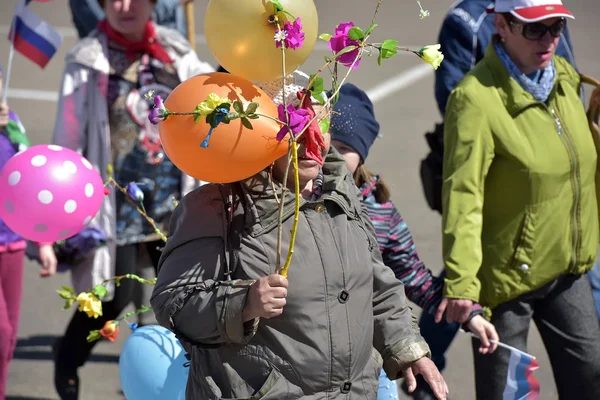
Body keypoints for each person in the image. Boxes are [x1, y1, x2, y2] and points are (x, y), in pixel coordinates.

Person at [151, 70, 449, 400]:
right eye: (295, 130)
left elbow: (376, 286)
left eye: (319, 128)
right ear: (262, 134)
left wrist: (409, 349)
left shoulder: (343, 194)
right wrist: (243, 303)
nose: (313, 144)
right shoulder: (218, 207)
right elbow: (174, 304)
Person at [415, 1, 584, 398]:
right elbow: (454, 101)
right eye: (535, 30)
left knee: (587, 358)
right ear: (502, 25)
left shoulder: (551, 32)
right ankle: (423, 364)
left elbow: (568, 84)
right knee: (462, 284)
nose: (549, 39)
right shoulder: (465, 21)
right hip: (498, 193)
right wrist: (518, 129)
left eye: (555, 27)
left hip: (560, 221)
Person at [49, 0, 213, 398]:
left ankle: (176, 383)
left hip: (172, 202)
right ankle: (67, 359)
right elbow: (67, 140)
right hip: (116, 205)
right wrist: (59, 209)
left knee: (187, 301)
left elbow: (210, 103)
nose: (125, 6)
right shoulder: (88, 59)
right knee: (113, 298)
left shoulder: (175, 50)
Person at [329, 83, 499, 399]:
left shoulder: (378, 209)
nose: (332, 155)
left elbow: (410, 274)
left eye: (343, 147)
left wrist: (468, 314)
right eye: (324, 142)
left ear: (363, 152)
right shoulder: (293, 201)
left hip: (368, 357)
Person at [0, 64, 57, 399]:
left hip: (13, 244)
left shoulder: (13, 126)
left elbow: (30, 185)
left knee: (9, 337)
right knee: (0, 331)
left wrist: (44, 240)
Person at [69, 0, 194, 39]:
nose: (125, 7)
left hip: (172, 49)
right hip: (106, 74)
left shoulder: (179, 52)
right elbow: (120, 27)